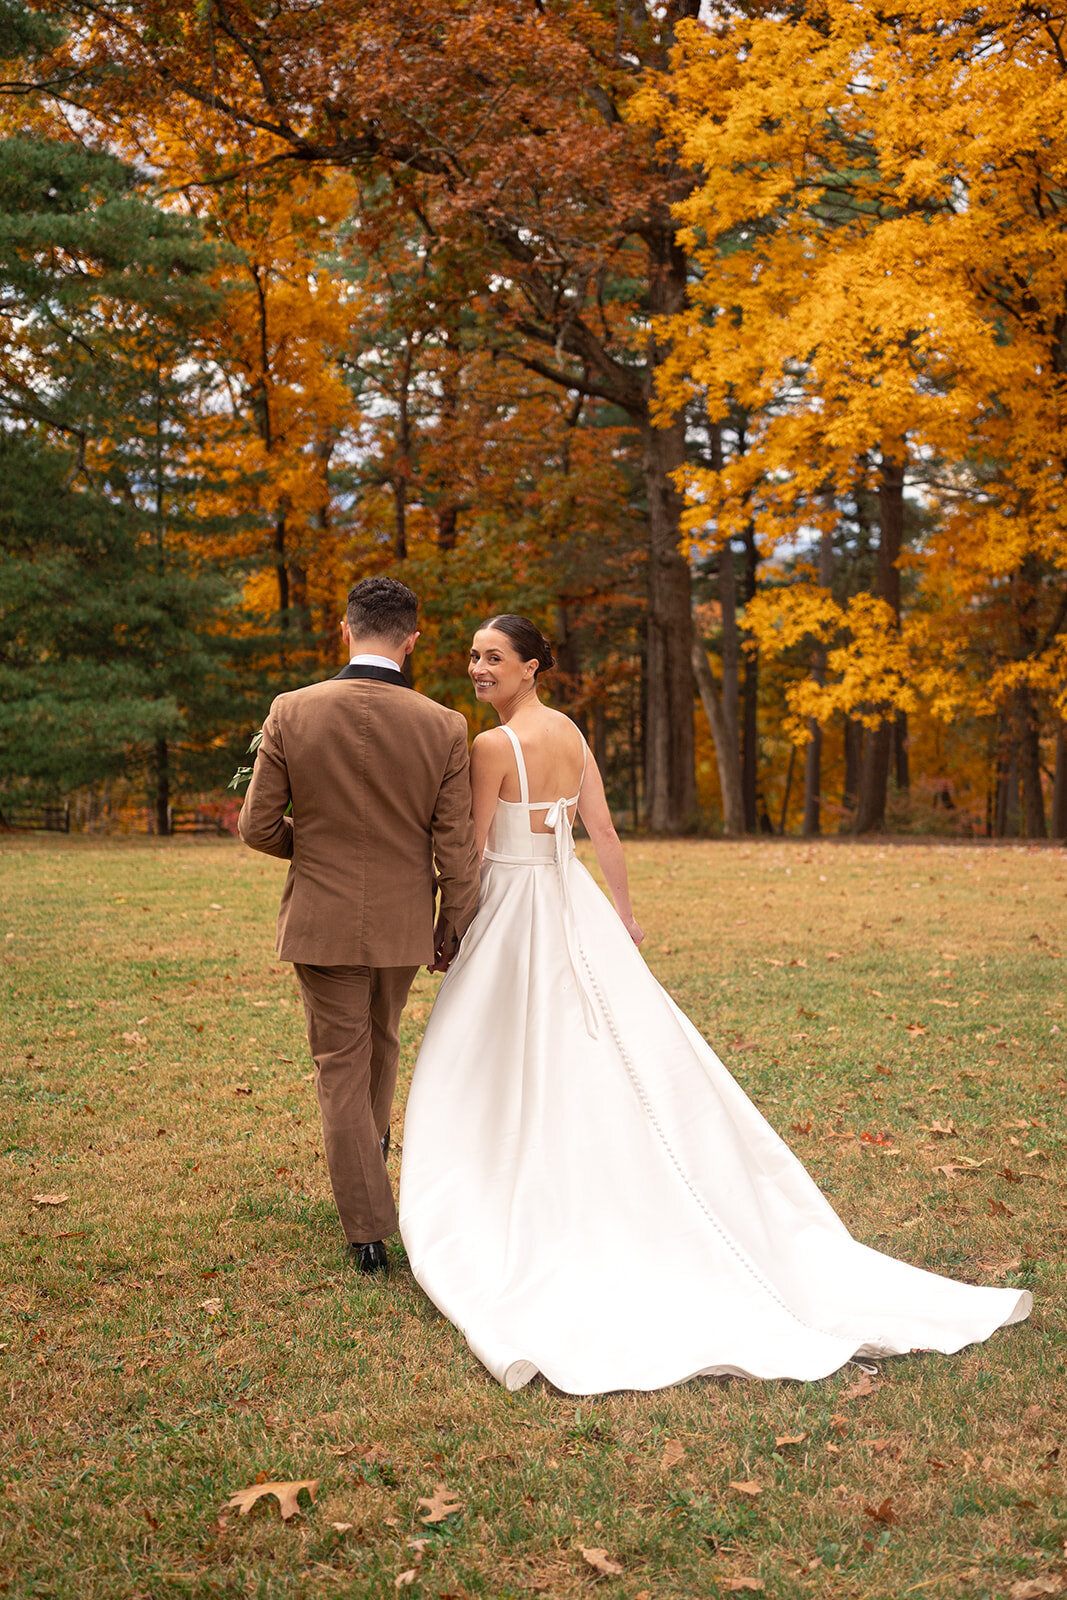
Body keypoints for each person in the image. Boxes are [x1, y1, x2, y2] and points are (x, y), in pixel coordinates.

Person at [398, 614, 1031, 1394]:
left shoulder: (492, 746)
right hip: (568, 898)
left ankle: (504, 1179)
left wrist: (448, 923)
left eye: (492, 657)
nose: (476, 668)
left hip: (512, 905)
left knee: (490, 1048)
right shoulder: (573, 735)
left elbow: (466, 845)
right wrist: (621, 916)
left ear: (532, 666)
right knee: (598, 1042)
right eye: (471, 656)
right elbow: (602, 831)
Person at [239, 577, 480, 1275]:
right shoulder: (443, 724)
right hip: (405, 920)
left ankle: (367, 1231)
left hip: (322, 916)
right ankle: (369, 1190)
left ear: (344, 631)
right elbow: (454, 845)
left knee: (340, 1066)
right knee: (380, 1046)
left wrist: (309, 847)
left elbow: (257, 827)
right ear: (410, 641)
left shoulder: (292, 710)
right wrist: (452, 921)